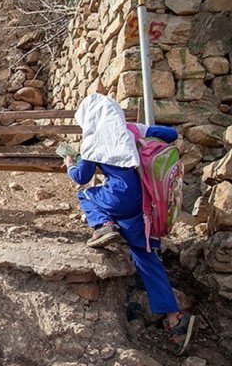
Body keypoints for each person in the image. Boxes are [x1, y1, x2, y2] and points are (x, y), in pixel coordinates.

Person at [64, 93, 195, 355]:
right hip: (146, 202)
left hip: (120, 200)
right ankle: (175, 320)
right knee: (145, 257)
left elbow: (81, 177)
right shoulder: (132, 129)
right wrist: (143, 137)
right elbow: (169, 134)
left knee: (86, 195)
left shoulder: (93, 141)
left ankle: (104, 225)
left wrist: (69, 163)